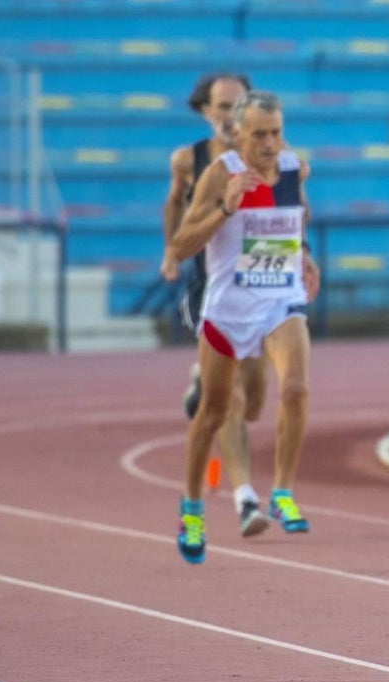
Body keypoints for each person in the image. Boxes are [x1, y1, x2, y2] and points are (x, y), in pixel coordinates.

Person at [162, 90, 318, 564]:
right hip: (228, 308)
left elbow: (296, 219)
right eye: (259, 135)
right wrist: (226, 209)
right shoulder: (219, 172)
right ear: (238, 133)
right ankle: (192, 507)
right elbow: (184, 243)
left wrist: (305, 254)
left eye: (276, 133)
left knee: (295, 389)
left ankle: (283, 492)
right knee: (212, 412)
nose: (270, 144)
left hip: (279, 301)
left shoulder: (295, 167)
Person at [162, 72, 271, 538]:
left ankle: (199, 378)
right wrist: (171, 249)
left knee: (253, 404)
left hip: (259, 290)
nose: (229, 115)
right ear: (205, 111)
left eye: (237, 105)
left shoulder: (271, 158)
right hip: (210, 289)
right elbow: (174, 206)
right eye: (222, 107)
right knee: (232, 402)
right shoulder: (191, 159)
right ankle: (247, 498)